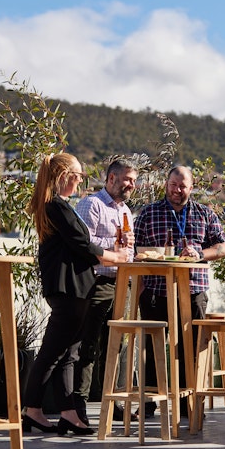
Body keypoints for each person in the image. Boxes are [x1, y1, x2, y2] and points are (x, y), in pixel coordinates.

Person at [22, 153, 129, 436]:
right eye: (78, 175)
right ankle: (32, 408)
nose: (80, 180)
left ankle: (68, 413)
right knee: (53, 352)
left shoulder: (56, 206)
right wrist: (114, 257)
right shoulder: (56, 206)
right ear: (63, 175)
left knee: (67, 352)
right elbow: (83, 244)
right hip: (68, 287)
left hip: (72, 287)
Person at [132, 165, 225, 418]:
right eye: (173, 185)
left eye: (183, 186)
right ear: (166, 184)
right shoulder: (148, 213)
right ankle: (149, 402)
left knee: (191, 348)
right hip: (155, 290)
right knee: (152, 349)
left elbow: (223, 248)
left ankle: (189, 403)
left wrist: (200, 254)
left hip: (194, 290)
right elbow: (135, 252)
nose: (177, 190)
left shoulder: (204, 213)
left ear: (192, 186)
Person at [73, 158, 138, 424]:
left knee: (119, 348)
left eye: (134, 181)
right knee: (88, 346)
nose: (131, 185)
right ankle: (78, 407)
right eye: (127, 179)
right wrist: (115, 243)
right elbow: (83, 243)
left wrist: (128, 251)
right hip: (97, 283)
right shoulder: (92, 204)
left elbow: (128, 251)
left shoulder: (126, 211)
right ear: (111, 178)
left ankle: (115, 404)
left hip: (122, 284)